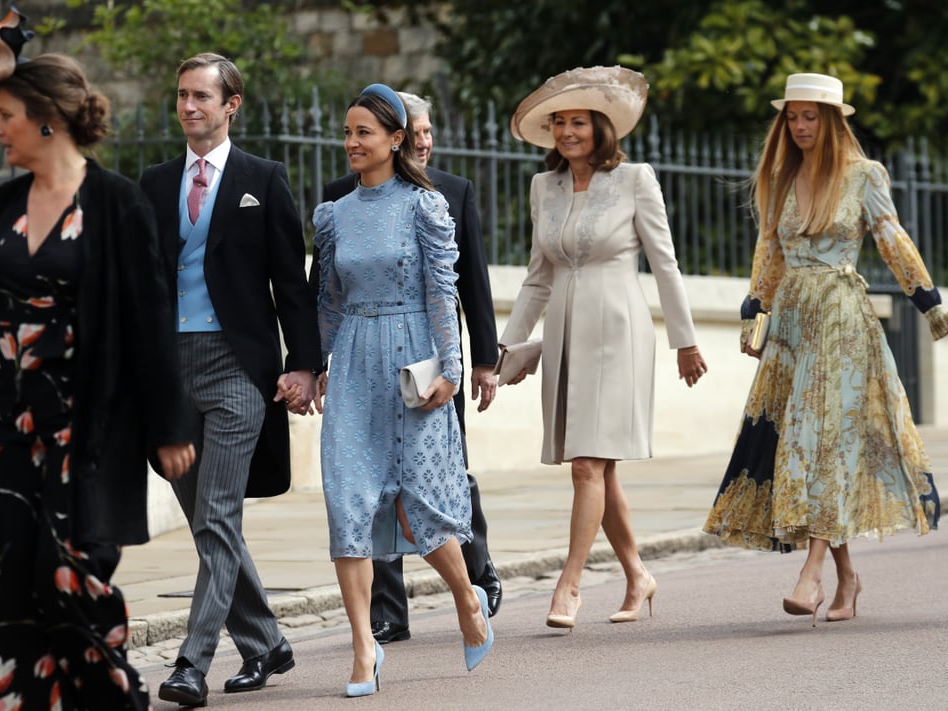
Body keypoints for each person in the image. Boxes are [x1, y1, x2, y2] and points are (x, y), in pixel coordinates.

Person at [0, 8, 196, 710]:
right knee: (12, 583)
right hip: (3, 428)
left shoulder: (117, 204)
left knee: (75, 582)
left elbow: (149, 319)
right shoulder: (1, 204)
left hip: (84, 427)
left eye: (8, 115)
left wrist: (169, 425)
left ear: (48, 118)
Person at [703, 73, 944, 624]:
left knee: (821, 439)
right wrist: (755, 311)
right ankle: (848, 578)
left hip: (841, 317)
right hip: (792, 324)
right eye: (792, 117)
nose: (800, 126)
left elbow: (892, 238)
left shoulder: (864, 175)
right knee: (805, 441)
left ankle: (811, 573)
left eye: (811, 117)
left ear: (833, 121)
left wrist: (929, 302)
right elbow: (769, 250)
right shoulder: (782, 177)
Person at [139, 53, 322, 707]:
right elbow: (141, 285)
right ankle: (268, 641)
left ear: (231, 105)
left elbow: (291, 286)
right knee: (206, 521)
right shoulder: (154, 182)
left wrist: (304, 364)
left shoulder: (262, 180)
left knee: (217, 512)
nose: (189, 107)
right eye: (182, 95)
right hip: (170, 370)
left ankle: (193, 661)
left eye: (202, 97)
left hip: (239, 368)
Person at [501, 66, 707, 630]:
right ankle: (638, 574)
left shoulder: (635, 178)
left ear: (600, 128)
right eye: (559, 123)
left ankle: (569, 585)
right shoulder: (544, 187)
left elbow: (664, 264)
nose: (568, 132)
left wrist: (685, 341)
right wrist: (507, 348)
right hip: (565, 333)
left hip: (620, 332)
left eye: (578, 122)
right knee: (599, 467)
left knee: (588, 464)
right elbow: (537, 278)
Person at [308, 83, 493, 696]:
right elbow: (328, 301)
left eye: (364, 132)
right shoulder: (334, 214)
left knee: (419, 508)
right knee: (348, 499)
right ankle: (364, 647)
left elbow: (444, 294)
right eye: (347, 132)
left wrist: (453, 369)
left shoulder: (425, 206)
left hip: (413, 362)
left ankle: (467, 598)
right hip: (356, 363)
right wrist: (314, 365)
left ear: (396, 139)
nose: (352, 143)